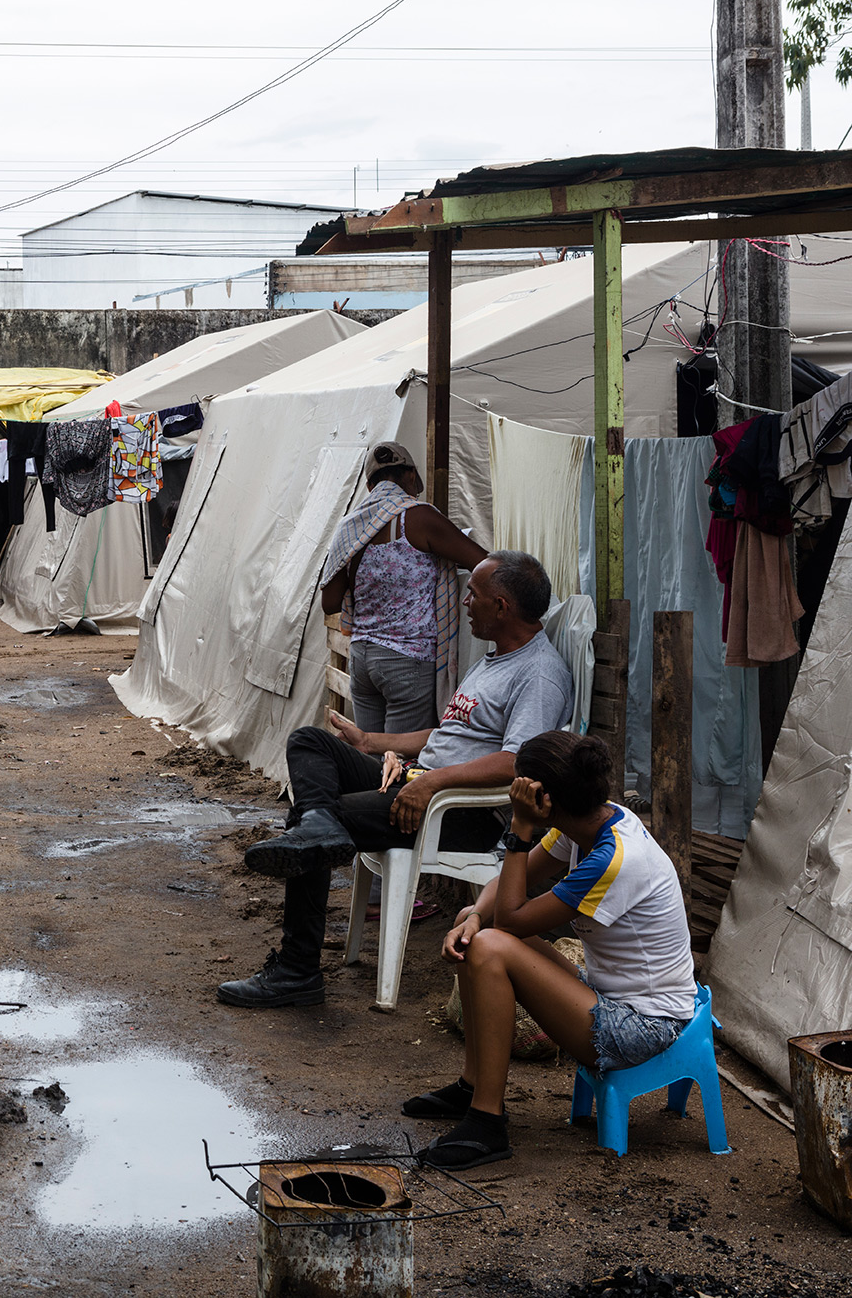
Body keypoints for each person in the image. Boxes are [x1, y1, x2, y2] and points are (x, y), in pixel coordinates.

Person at [217, 551, 573, 1009]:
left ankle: (296, 969)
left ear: (502, 606)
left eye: (474, 594)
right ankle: (317, 828)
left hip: (462, 813)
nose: (465, 601)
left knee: (318, 824)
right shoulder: (495, 659)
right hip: (420, 784)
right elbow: (449, 732)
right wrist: (370, 741)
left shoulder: (539, 674)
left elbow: (517, 762)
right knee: (310, 743)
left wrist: (430, 784)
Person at [403, 730, 696, 1170]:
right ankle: (472, 1086)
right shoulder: (588, 824)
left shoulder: (613, 859)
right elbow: (501, 899)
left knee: (491, 947)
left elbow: (513, 919)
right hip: (608, 996)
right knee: (474, 928)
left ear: (543, 799)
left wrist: (519, 829)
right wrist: (476, 916)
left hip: (642, 1026)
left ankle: (487, 1121)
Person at [320, 441, 489, 735]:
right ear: (410, 476)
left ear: (370, 486)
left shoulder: (349, 528)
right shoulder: (419, 517)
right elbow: (484, 565)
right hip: (407, 660)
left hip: (362, 659)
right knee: (399, 765)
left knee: (370, 758)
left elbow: (330, 602)